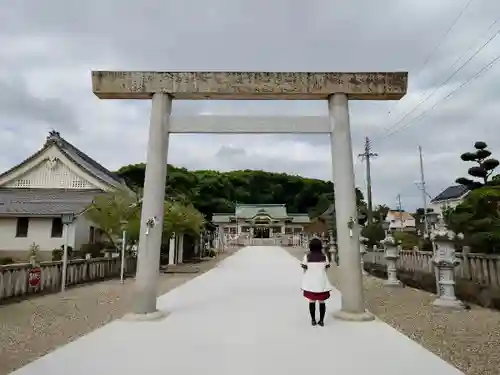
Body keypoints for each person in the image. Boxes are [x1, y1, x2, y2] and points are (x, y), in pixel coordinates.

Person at [301, 237, 333, 326]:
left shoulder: (307, 256)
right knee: (322, 301)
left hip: (311, 282)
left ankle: (313, 320)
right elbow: (326, 269)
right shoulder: (324, 256)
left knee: (312, 301)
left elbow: (304, 270)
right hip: (321, 282)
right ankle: (322, 321)